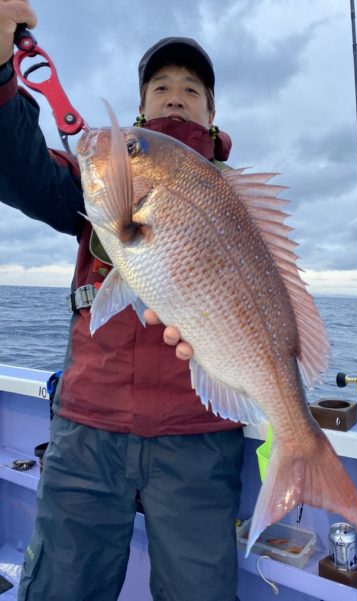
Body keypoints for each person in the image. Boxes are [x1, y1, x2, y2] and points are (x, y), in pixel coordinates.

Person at [0, 1, 244, 600]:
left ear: (212, 113)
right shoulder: (100, 181)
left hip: (200, 433)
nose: (176, 95)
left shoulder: (234, 208)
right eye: (161, 85)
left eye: (192, 88)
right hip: (89, 428)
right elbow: (21, 168)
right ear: (141, 107)